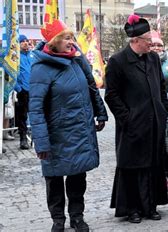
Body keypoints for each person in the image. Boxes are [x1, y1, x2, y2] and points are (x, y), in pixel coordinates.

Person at [29, 19, 108, 232]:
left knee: (77, 176)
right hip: (55, 134)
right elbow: (35, 109)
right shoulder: (41, 68)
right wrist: (41, 142)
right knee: (54, 179)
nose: (71, 42)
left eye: (72, 38)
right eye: (66, 38)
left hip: (79, 130)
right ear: (54, 42)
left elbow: (91, 87)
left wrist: (101, 113)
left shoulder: (76, 59)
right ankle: (58, 220)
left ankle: (77, 217)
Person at [105, 15, 168, 223]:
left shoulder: (153, 58)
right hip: (132, 124)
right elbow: (111, 95)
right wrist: (127, 118)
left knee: (153, 165)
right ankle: (131, 208)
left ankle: (150, 206)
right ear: (134, 41)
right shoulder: (117, 61)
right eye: (147, 39)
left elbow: (161, 87)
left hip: (154, 123)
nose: (151, 42)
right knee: (132, 166)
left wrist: (162, 109)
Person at [151, 35, 168, 192]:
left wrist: (167, 98)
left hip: (167, 109)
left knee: (167, 146)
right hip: (150, 109)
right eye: (153, 44)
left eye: (159, 45)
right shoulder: (145, 62)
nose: (156, 48)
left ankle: (166, 175)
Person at [15, 34, 31, 150]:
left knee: (36, 115)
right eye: (22, 41)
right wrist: (18, 88)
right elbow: (11, 74)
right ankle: (23, 139)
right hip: (23, 91)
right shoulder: (16, 57)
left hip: (34, 91)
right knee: (22, 116)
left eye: (26, 41)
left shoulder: (32, 55)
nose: (25, 43)